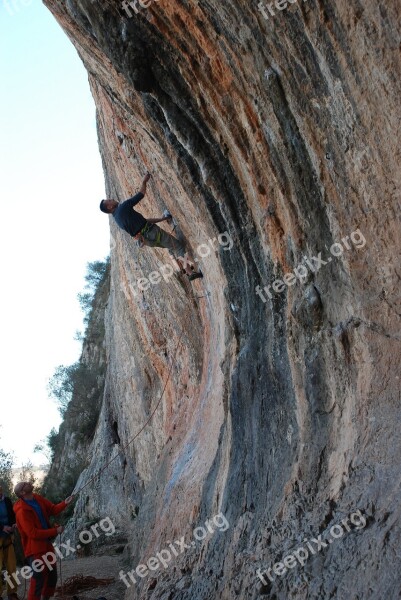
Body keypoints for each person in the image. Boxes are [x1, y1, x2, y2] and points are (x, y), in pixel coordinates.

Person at [99, 173, 203, 281]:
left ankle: (181, 268)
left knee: (171, 248)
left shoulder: (117, 220)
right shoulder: (123, 207)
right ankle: (190, 273)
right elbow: (141, 194)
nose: (111, 198)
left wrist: (162, 219)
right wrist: (144, 181)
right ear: (110, 206)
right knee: (178, 247)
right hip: (152, 232)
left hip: (147, 240)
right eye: (109, 200)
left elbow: (144, 222)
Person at [13, 482, 75, 600]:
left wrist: (65, 503)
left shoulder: (36, 498)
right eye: (23, 485)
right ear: (22, 493)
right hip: (35, 549)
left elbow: (52, 509)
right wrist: (55, 531)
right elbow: (33, 533)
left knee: (52, 576)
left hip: (46, 544)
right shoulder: (22, 511)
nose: (26, 483)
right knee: (38, 578)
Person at [0, 484, 18, 600]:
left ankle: (12, 593)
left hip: (8, 538)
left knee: (12, 566)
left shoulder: (7, 500)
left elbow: (12, 514)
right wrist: (2, 528)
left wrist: (14, 524)